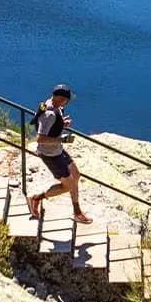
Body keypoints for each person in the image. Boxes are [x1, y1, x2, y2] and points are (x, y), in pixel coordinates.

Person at [27, 84, 91, 223]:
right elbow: (40, 138)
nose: (67, 102)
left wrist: (62, 125)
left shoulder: (54, 106)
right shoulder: (49, 114)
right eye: (66, 99)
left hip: (57, 150)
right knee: (68, 185)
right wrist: (61, 138)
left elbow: (52, 128)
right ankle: (36, 198)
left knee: (75, 175)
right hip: (51, 155)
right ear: (60, 98)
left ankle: (77, 212)